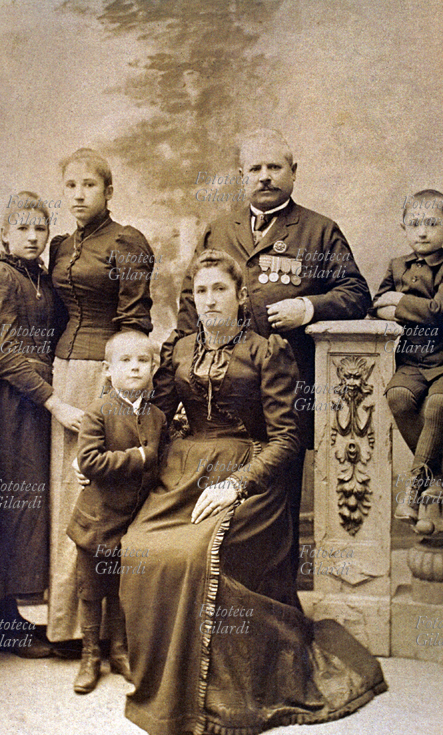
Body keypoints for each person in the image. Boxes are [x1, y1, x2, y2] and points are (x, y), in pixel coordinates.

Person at [119, 249, 386, 735]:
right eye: (201, 291)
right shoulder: (178, 351)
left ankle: (203, 695)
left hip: (250, 476)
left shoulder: (269, 351)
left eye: (220, 289)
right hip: (183, 474)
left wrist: (236, 484)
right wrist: (117, 445)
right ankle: (164, 675)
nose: (209, 299)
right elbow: (152, 416)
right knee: (140, 547)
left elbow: (287, 438)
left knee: (197, 554)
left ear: (241, 296)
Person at [162, 128, 371, 574]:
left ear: (293, 172)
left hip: (285, 387)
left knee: (279, 489)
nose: (265, 177)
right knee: (214, 497)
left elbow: (357, 292)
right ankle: (218, 599)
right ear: (242, 176)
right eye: (255, 169)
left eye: (274, 167)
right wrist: (182, 362)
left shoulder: (319, 231)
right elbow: (189, 305)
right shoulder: (220, 230)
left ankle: (278, 599)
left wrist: (309, 306)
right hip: (222, 386)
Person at [47, 148, 154, 644]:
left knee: (99, 495)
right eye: (71, 185)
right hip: (63, 375)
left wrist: (118, 389)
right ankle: (68, 625)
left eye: (89, 185)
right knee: (66, 493)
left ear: (108, 192)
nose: (78, 194)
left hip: (102, 375)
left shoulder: (127, 241)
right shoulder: (59, 246)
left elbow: (134, 323)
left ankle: (111, 632)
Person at [0, 192, 79, 658]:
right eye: (24, 229)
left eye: (40, 229)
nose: (33, 237)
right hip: (4, 405)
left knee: (29, 511)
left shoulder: (43, 280)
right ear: (5, 234)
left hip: (33, 406)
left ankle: (9, 620)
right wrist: (54, 401)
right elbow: (7, 354)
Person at [66, 331, 166, 693]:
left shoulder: (156, 417)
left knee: (124, 590)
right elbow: (89, 461)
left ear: (154, 367)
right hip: (96, 523)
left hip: (132, 524)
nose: (135, 368)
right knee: (91, 591)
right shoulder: (98, 411)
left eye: (143, 361)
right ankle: (90, 655)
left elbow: (161, 465)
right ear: (108, 370)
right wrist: (137, 457)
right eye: (126, 361)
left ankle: (120, 651)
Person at [372, 190, 443, 521]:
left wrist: (399, 302)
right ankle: (436, 477)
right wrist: (394, 304)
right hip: (414, 363)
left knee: (438, 404)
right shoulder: (397, 266)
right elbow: (376, 306)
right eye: (415, 224)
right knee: (399, 396)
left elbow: (437, 312)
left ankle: (412, 490)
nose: (422, 232)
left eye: (432, 224)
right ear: (402, 227)